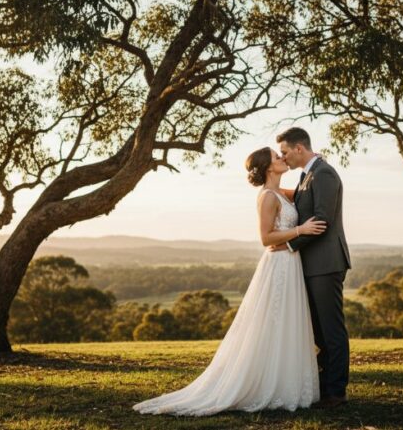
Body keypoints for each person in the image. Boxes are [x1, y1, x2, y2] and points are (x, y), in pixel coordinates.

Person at [132, 146, 326, 416]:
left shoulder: (281, 193)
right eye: (276, 156)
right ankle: (261, 383)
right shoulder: (267, 197)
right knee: (271, 323)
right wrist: (301, 230)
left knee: (285, 323)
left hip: (290, 263)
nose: (282, 158)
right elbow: (266, 238)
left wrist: (315, 161)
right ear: (268, 167)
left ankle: (284, 381)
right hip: (279, 266)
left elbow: (306, 192)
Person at [274, 127, 351, 408]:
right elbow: (298, 199)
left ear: (299, 148)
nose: (284, 157)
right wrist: (268, 188)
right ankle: (324, 383)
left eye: (285, 152)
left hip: (326, 263)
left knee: (331, 329)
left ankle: (336, 392)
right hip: (312, 264)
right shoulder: (308, 176)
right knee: (318, 330)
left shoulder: (324, 173)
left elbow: (321, 221)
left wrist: (289, 245)